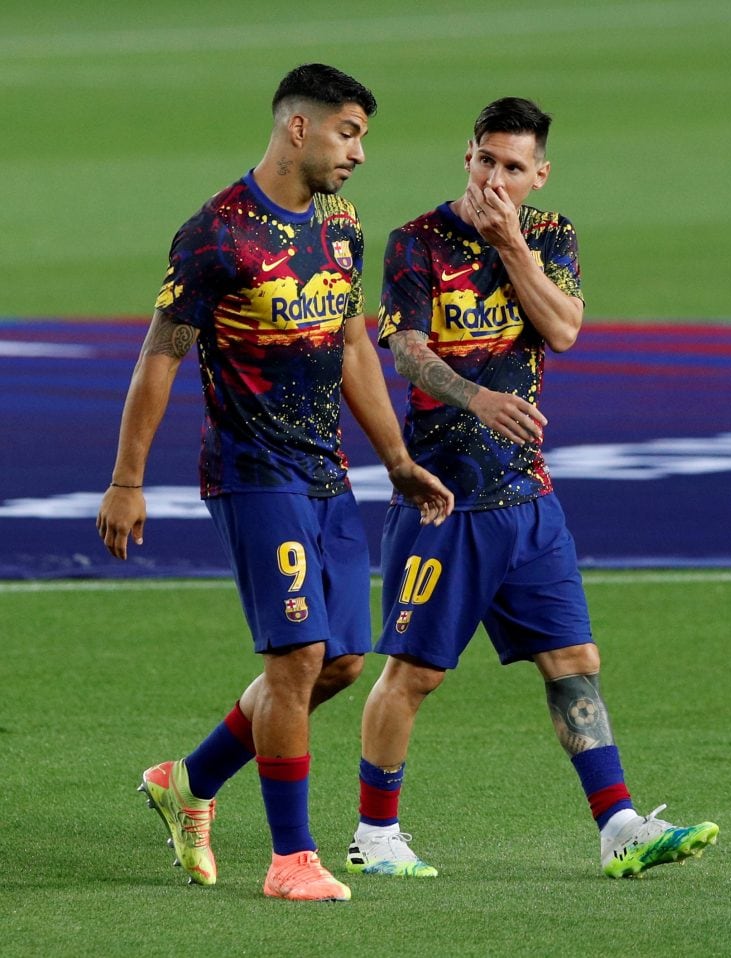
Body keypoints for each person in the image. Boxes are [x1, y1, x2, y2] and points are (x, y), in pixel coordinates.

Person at [96, 63, 453, 903]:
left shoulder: (339, 226)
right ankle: (293, 859)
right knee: (295, 657)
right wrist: (126, 480)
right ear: (300, 127)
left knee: (342, 663)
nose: (359, 153)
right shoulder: (216, 235)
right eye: (349, 132)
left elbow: (355, 343)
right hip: (253, 474)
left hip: (326, 472)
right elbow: (160, 356)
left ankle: (185, 784)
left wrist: (396, 457)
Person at [345, 96, 719, 880]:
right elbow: (406, 352)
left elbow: (564, 329)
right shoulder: (417, 242)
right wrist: (477, 397)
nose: (495, 176)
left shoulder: (549, 236)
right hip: (445, 496)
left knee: (574, 657)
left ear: (538, 175)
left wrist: (511, 243)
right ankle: (374, 835)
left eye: (514, 167)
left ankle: (617, 824)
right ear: (468, 156)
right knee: (414, 672)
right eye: (486, 159)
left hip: (527, 495)